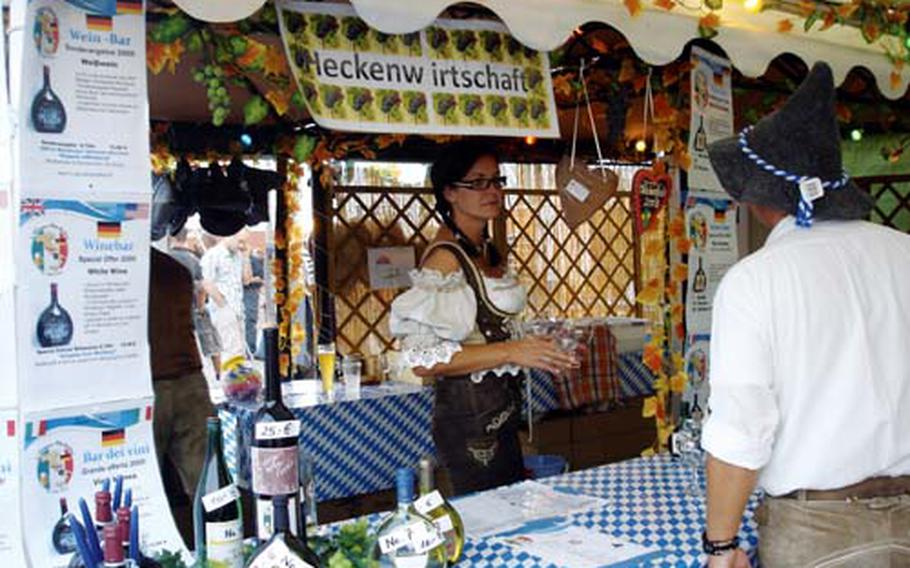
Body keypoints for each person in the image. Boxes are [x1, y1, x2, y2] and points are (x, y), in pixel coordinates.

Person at [700, 62, 910, 567]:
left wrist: (722, 545)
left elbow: (742, 429)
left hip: (818, 531)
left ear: (757, 198)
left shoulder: (756, 281)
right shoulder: (904, 252)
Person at [390, 141, 575, 495]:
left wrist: (538, 348)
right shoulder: (445, 259)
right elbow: (422, 361)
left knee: (508, 512)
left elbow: (490, 332)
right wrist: (512, 351)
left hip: (497, 414)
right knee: (488, 517)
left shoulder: (484, 249)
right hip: (468, 422)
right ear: (449, 193)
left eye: (495, 180)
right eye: (477, 182)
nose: (491, 190)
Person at [149, 247, 215, 498]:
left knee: (145, 488)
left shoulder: (121, 270)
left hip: (150, 385)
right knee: (208, 484)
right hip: (190, 380)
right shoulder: (174, 269)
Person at [168, 227, 223, 376]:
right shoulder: (194, 260)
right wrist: (200, 307)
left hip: (171, 310)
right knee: (210, 342)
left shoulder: (165, 258)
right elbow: (202, 287)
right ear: (185, 238)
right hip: (193, 306)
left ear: (171, 238)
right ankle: (219, 373)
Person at [200, 232, 247, 358]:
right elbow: (206, 281)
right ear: (230, 236)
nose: (241, 245)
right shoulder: (213, 255)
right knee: (231, 350)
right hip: (224, 308)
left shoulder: (238, 256)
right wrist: (223, 305)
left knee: (239, 349)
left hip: (238, 307)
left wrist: (246, 255)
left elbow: (246, 279)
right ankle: (229, 376)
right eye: (240, 241)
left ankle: (236, 376)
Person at [243, 244, 264, 354]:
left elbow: (261, 278)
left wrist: (253, 280)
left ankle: (250, 349)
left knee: (250, 322)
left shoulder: (254, 261)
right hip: (246, 293)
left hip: (251, 293)